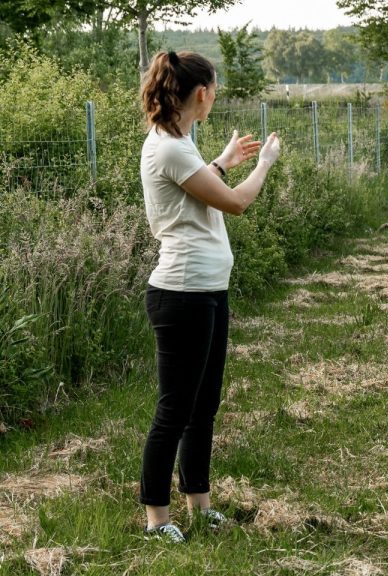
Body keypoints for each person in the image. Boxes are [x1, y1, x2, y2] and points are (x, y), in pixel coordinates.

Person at [138, 50, 280, 542]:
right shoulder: (172, 147)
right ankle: (157, 518)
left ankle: (199, 502)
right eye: (214, 89)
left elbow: (194, 190)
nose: (214, 96)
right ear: (201, 93)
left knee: (204, 404)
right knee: (175, 408)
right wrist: (263, 165)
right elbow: (237, 203)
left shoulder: (179, 140)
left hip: (206, 291)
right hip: (182, 294)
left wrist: (221, 160)